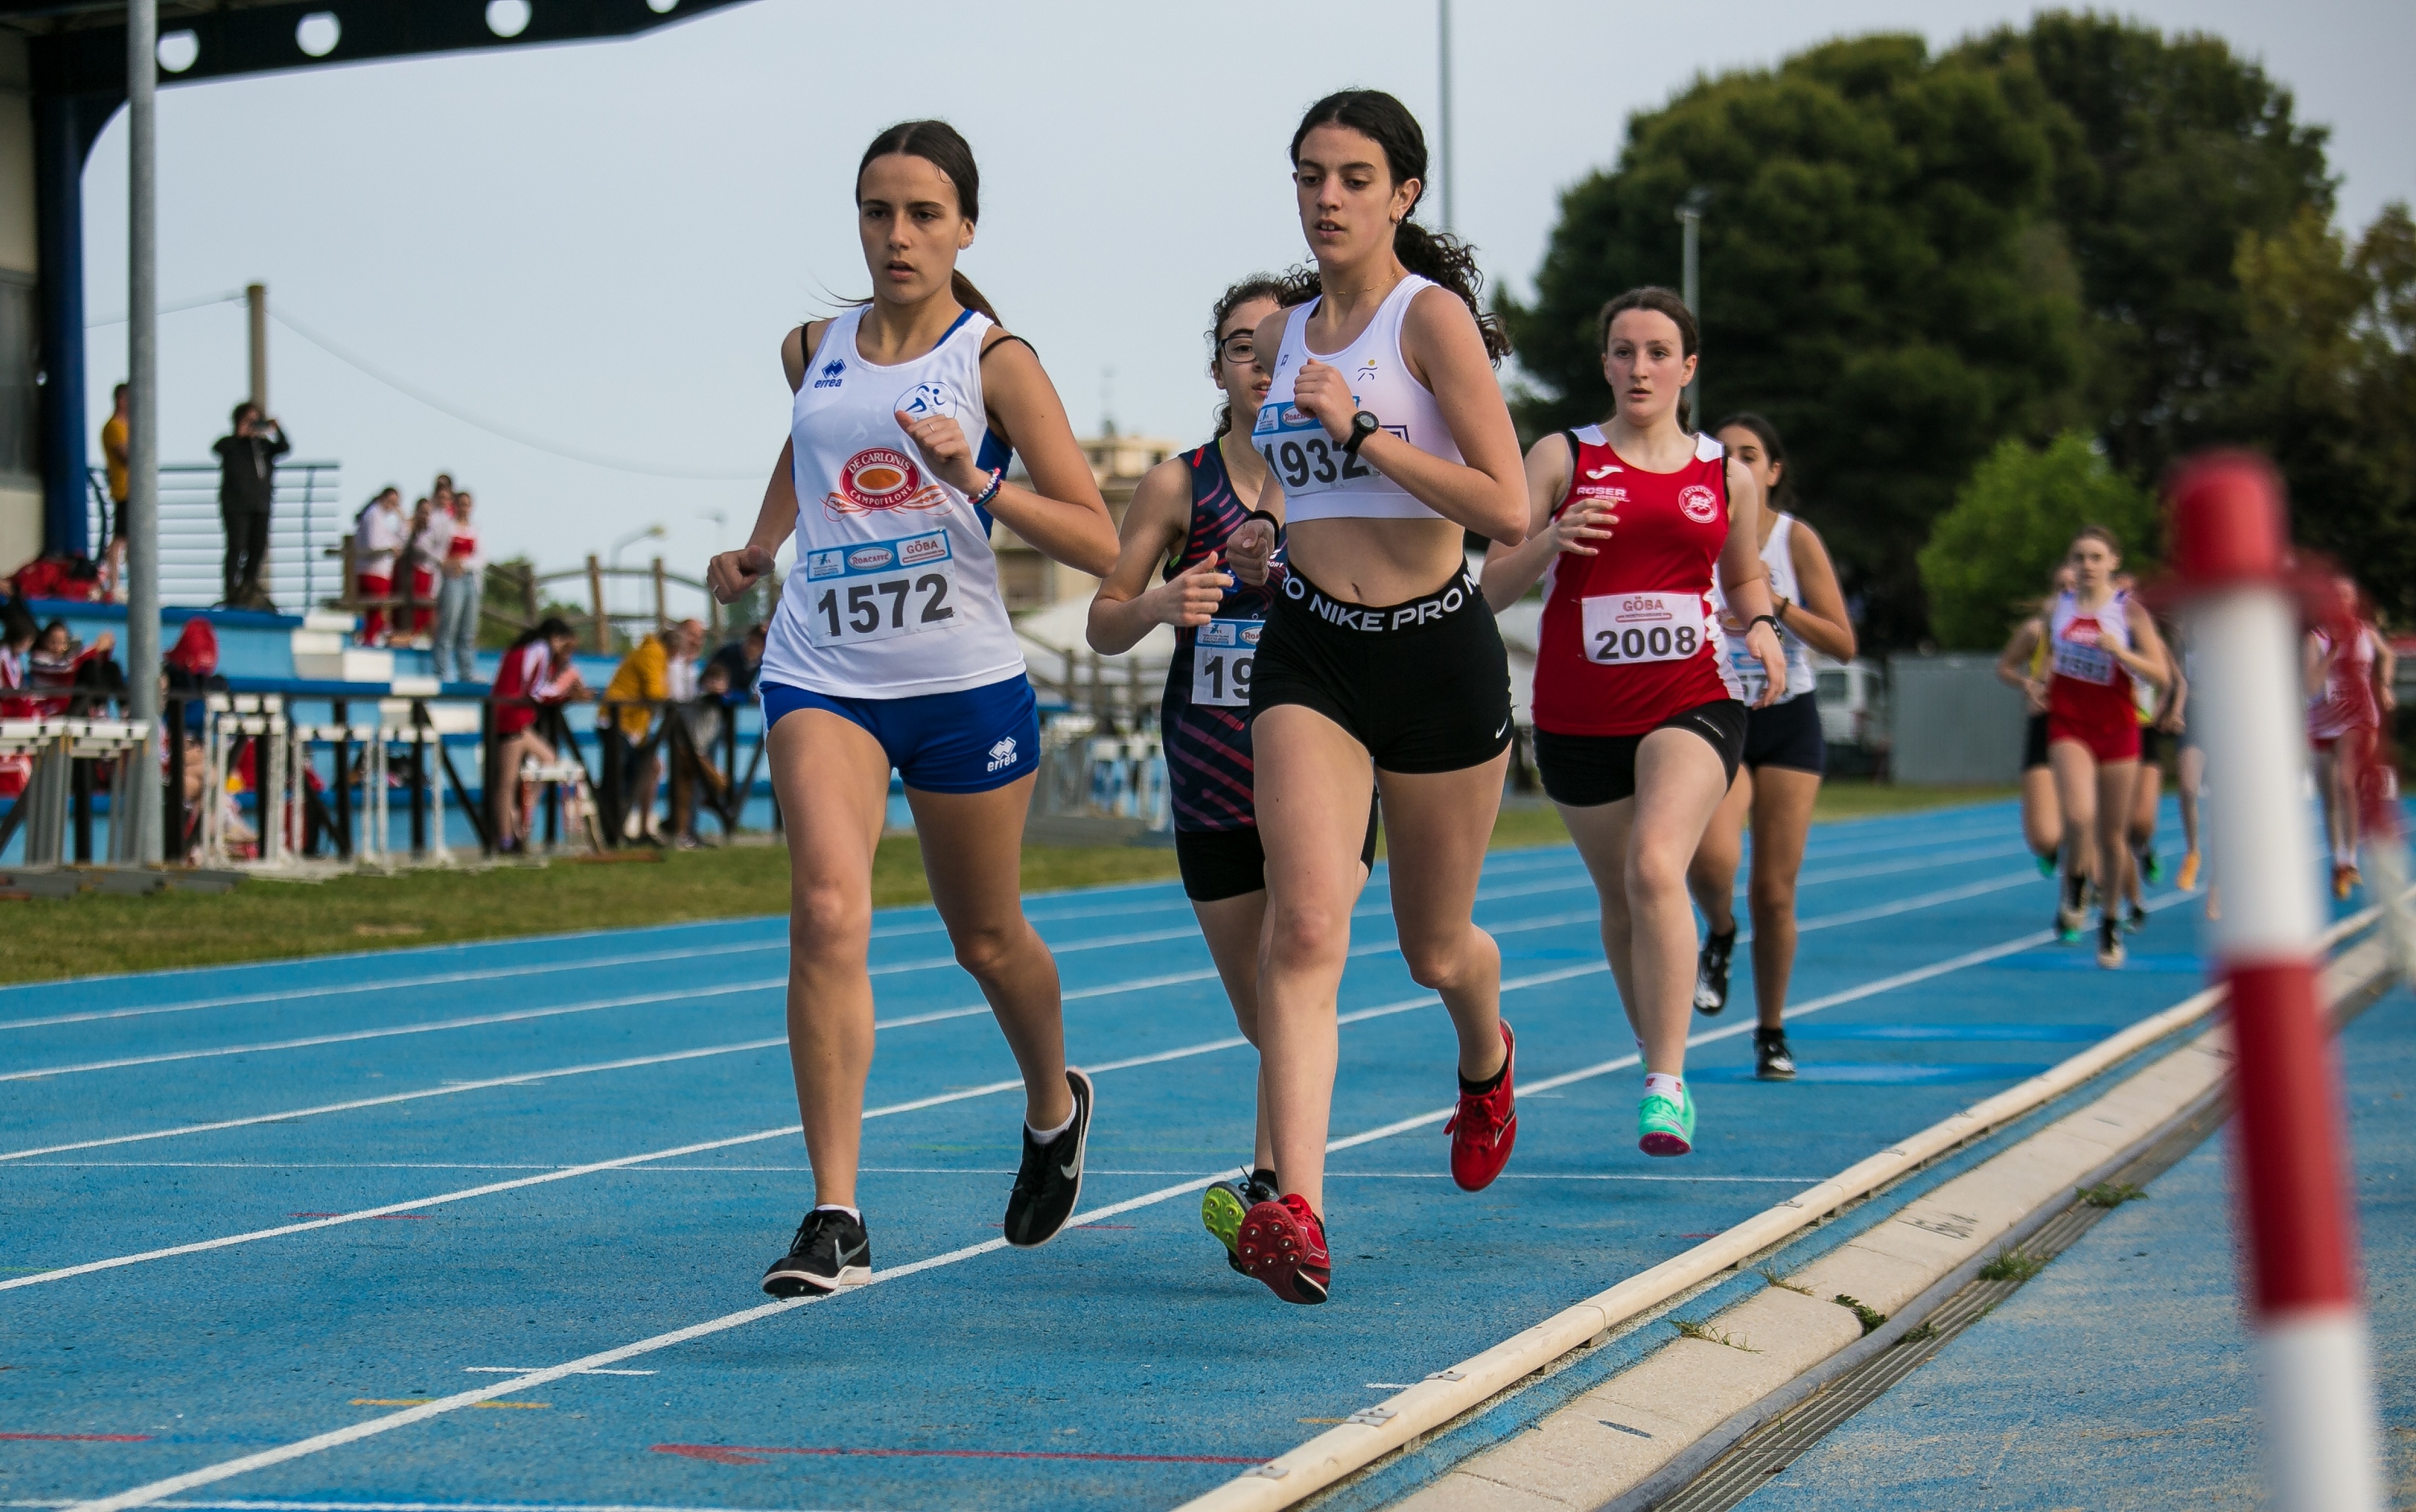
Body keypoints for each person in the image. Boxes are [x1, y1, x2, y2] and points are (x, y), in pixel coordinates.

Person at [705, 120, 1120, 1299]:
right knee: (827, 909)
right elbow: (808, 445)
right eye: (878, 212)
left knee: (984, 937)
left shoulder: (996, 361)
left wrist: (975, 478)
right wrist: (762, 544)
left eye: (924, 214)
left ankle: (1053, 1105)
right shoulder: (811, 347)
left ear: (965, 229)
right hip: (822, 670)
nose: (897, 235)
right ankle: (835, 1213)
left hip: (961, 686)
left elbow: (1098, 538)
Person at [1217, 90, 1530, 1307]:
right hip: (1312, 652)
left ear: (1403, 193)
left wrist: (1363, 438)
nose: (1327, 197)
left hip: (1436, 654)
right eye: (1309, 175)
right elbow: (1289, 474)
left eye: (1353, 177)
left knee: (1433, 947)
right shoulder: (1282, 330)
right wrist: (1267, 527)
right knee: (1304, 927)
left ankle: (1486, 1057)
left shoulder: (1428, 319)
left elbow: (1506, 506)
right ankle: (1296, 1210)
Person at [1087, 273, 1384, 1276]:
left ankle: (1280, 1193)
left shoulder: (1347, 471)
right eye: (1239, 347)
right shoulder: (1179, 485)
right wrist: (1160, 602)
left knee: (1299, 951)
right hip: (1214, 770)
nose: (1259, 362)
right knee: (1265, 1014)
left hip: (1328, 759)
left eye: (1274, 344)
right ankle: (1275, 1185)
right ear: (1218, 369)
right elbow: (1104, 621)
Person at [1481, 286, 1785, 1163]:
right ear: (1606, 364)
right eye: (1624, 351)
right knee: (1622, 896)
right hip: (1577, 714)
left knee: (1656, 865)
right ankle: (1657, 1039)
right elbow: (1490, 587)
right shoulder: (1561, 456)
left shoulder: (1723, 474)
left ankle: (1667, 1081)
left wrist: (1763, 625)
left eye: (1657, 353)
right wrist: (1551, 540)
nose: (1640, 368)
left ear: (1688, 368)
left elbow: (1743, 577)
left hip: (1693, 696)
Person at [1679, 413, 1855, 1082]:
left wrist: (1775, 607)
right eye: (1723, 453)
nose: (1735, 464)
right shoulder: (1690, 524)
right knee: (1712, 862)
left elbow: (1843, 643)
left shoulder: (1793, 539)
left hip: (1786, 718)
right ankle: (1720, 930)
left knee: (1774, 892)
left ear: (1773, 471)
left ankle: (1771, 1031)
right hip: (1715, 710)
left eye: (1749, 455)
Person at [2027, 527, 2170, 967]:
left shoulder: (2129, 612)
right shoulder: (2057, 607)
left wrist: (2122, 654)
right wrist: (2036, 684)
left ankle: (2109, 922)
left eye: (2095, 557)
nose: (2087, 565)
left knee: (2113, 837)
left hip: (2119, 728)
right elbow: (2046, 659)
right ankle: (2075, 884)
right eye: (2079, 557)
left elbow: (2161, 675)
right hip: (2070, 725)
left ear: (2113, 563)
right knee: (2078, 815)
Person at [2307, 577, 2397, 899]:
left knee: (2346, 782)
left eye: (2347, 596)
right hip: (2323, 719)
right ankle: (2339, 861)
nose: (2342, 601)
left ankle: (2352, 859)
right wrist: (2332, 651)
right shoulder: (2315, 639)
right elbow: (2310, 685)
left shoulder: (2366, 632)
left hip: (2359, 716)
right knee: (2329, 795)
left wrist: (2384, 684)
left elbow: (2388, 655)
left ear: (2354, 601)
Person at [1996, 565, 2076, 876]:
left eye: (2074, 585)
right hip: (2045, 723)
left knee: (2087, 818)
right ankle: (2057, 846)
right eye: (2061, 586)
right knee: (2043, 837)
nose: (2067, 592)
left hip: (2087, 727)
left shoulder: (2107, 629)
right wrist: (2027, 683)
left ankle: (2082, 886)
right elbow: (2004, 668)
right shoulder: (2036, 630)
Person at [489, 616, 590, 849]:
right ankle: (506, 838)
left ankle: (522, 817)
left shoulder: (526, 649)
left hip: (514, 717)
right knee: (506, 782)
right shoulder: (540, 650)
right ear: (555, 638)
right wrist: (568, 694)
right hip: (512, 717)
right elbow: (535, 690)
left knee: (548, 759)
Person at [602, 618, 705, 844]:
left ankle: (635, 829)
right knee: (621, 779)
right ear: (673, 648)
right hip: (621, 723)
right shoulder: (653, 654)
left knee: (648, 769)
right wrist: (671, 697)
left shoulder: (653, 652)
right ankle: (614, 830)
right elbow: (654, 691)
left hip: (631, 725)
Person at [213, 402, 290, 609]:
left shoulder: (262, 447)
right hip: (236, 505)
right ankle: (231, 589)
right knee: (237, 546)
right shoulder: (231, 445)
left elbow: (284, 448)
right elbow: (217, 449)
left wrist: (276, 429)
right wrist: (240, 434)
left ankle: (249, 585)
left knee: (258, 547)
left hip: (261, 505)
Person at [435, 490, 484, 683]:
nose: (464, 508)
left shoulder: (475, 529)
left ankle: (466, 671)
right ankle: (441, 671)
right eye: (461, 504)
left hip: (470, 579)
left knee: (468, 629)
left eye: (467, 505)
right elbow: (433, 548)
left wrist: (463, 563)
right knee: (448, 625)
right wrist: (446, 562)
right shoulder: (446, 527)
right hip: (452, 579)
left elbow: (481, 557)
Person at [351, 489, 407, 646]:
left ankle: (371, 639)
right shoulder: (373, 515)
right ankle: (368, 641)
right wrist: (390, 548)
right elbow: (373, 543)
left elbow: (398, 539)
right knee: (376, 611)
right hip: (373, 570)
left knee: (376, 613)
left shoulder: (379, 517)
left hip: (378, 570)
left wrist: (402, 519)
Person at [403, 494, 453, 644]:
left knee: (428, 611)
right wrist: (440, 559)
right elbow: (420, 545)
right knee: (417, 613)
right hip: (416, 572)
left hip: (429, 573)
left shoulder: (439, 524)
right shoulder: (410, 528)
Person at [98, 384, 130, 602]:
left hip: (131, 490)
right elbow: (126, 455)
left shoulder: (126, 426)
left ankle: (126, 583)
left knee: (129, 538)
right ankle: (114, 583)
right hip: (123, 489)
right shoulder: (114, 427)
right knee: (120, 538)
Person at [706, 622, 767, 701]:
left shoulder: (764, 666)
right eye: (751, 641)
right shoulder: (727, 653)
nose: (753, 648)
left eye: (759, 645)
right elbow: (707, 681)